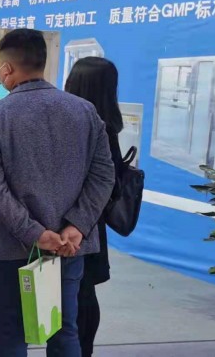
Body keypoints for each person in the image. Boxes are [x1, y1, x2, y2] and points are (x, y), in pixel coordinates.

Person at [0, 29, 115, 357]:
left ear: (7, 69)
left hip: (12, 245)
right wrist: (77, 225)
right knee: (64, 329)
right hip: (69, 246)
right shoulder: (85, 111)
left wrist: (34, 233)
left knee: (11, 330)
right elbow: (103, 175)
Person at [64, 57, 125, 357]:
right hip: (89, 224)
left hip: (60, 221)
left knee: (74, 294)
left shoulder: (66, 122)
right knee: (83, 292)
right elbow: (110, 182)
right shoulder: (106, 128)